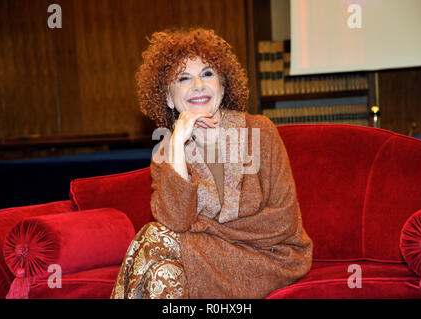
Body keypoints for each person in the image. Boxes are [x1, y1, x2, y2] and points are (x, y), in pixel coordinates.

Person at [111, 28, 312, 299]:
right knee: (164, 273)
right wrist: (178, 144)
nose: (198, 85)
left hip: (269, 259)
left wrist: (205, 229)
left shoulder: (260, 131)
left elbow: (283, 222)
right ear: (169, 97)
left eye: (207, 74)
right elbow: (176, 220)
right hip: (202, 257)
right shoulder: (166, 149)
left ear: (223, 85)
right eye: (183, 78)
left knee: (154, 235)